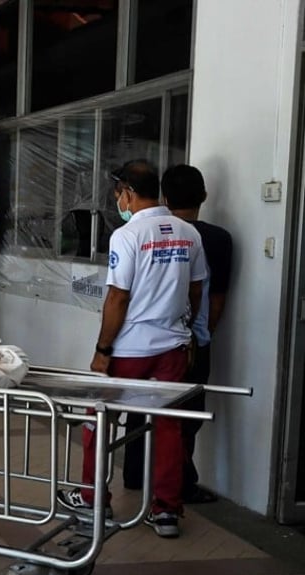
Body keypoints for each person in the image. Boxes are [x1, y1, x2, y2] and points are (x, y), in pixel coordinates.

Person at [58, 159, 206, 539]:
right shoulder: (189, 233)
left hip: (130, 351)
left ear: (127, 192)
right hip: (172, 347)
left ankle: (93, 497)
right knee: (168, 427)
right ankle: (167, 512)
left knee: (99, 419)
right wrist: (184, 327)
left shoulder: (127, 236)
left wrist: (102, 349)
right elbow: (196, 289)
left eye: (118, 194)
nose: (118, 201)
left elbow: (117, 299)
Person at [123, 165, 233, 503]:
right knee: (182, 418)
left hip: (141, 342)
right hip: (189, 341)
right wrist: (202, 336)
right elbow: (214, 297)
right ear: (204, 197)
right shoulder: (215, 238)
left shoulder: (143, 232)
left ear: (165, 198)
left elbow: (124, 292)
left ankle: (134, 475)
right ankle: (179, 486)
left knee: (139, 409)